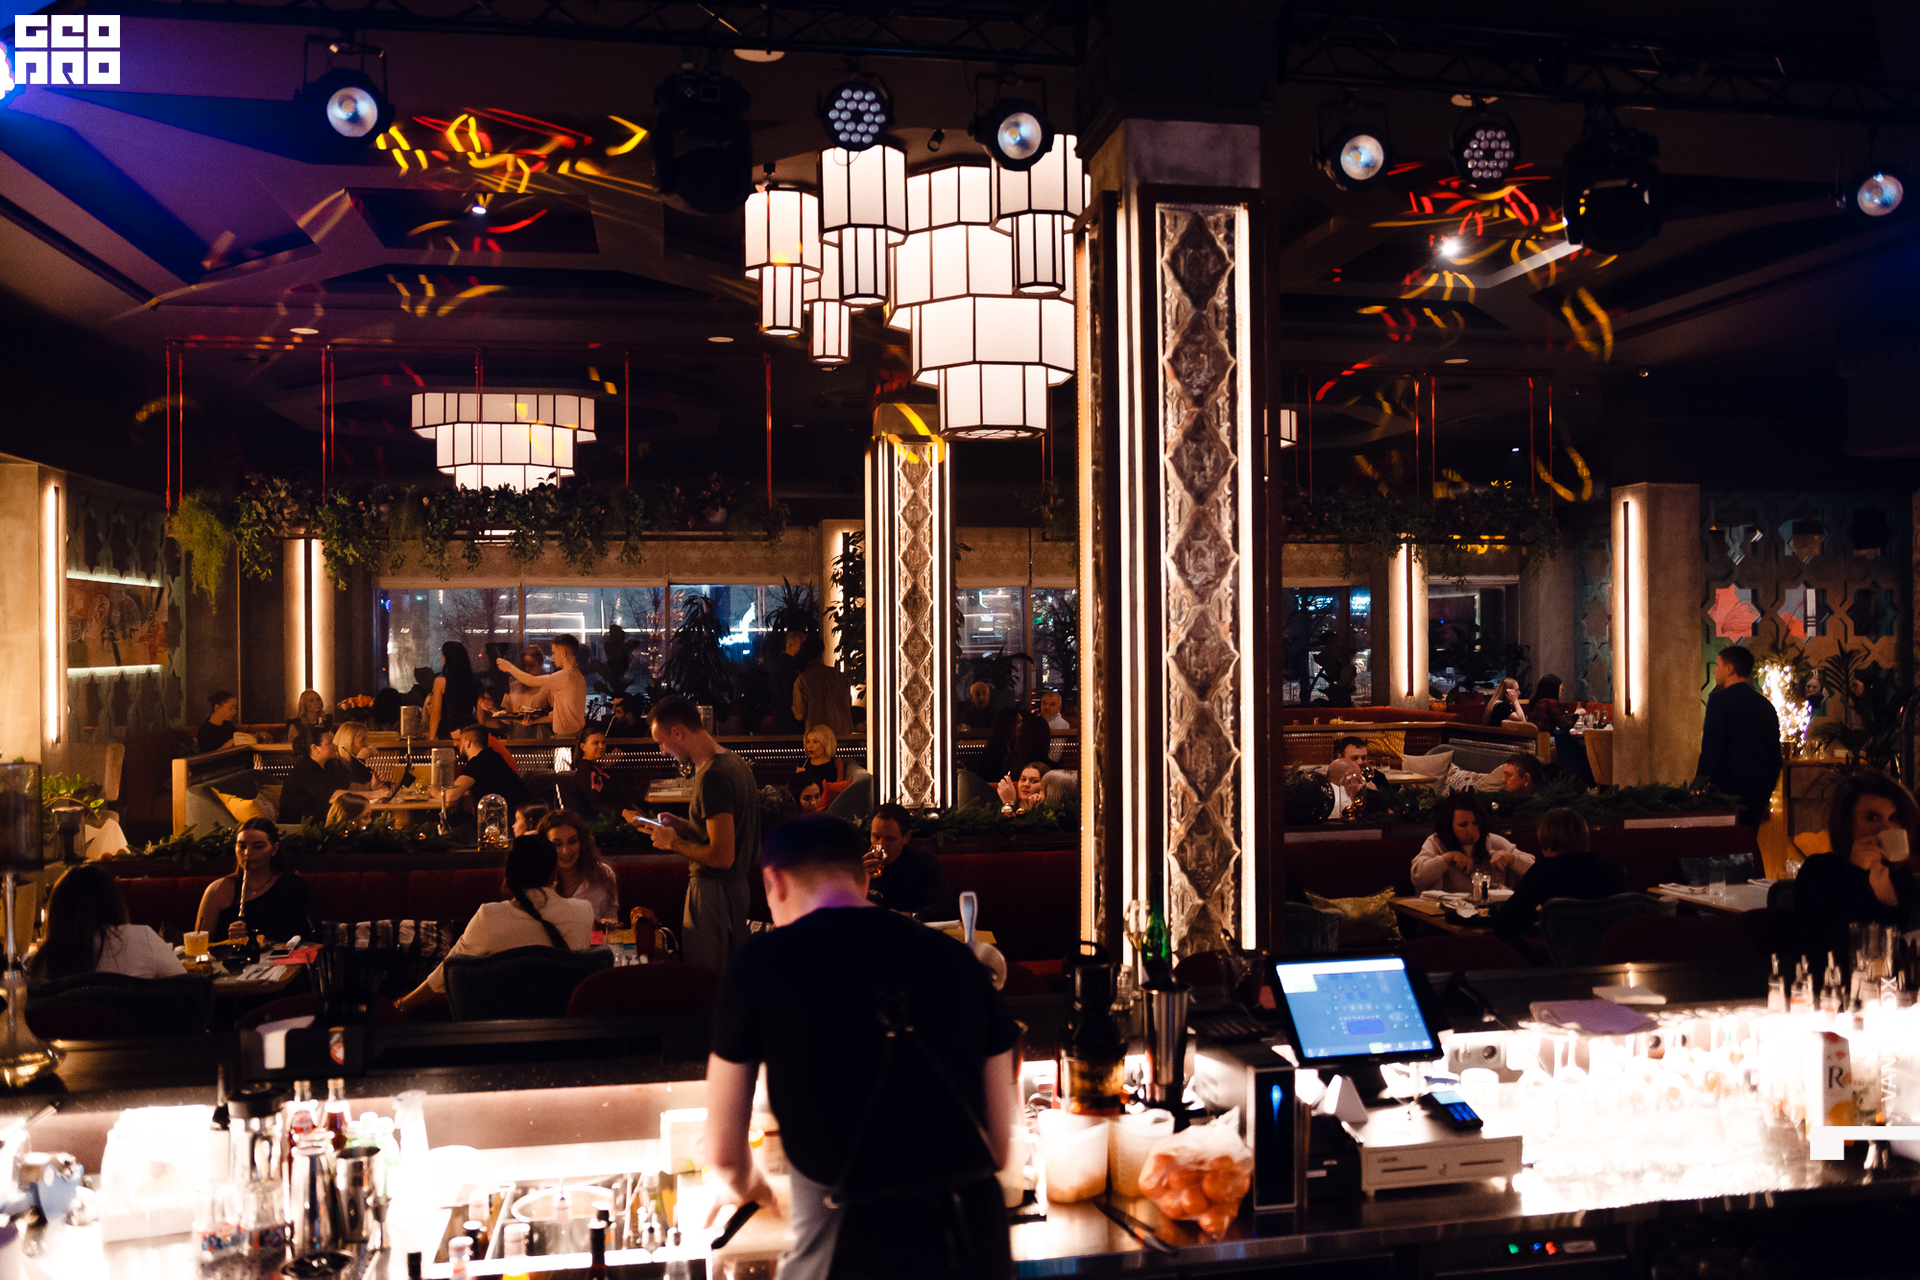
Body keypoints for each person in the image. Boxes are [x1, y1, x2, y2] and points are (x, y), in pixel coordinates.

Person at [704, 815, 1017, 1280]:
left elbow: (725, 1154)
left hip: (851, 1252)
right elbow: (1000, 1148)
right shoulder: (958, 959)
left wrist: (754, 1189)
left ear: (773, 881)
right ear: (864, 878)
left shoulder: (761, 963)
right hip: (974, 1249)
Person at [395, 835, 594, 1011]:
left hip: (497, 1033)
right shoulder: (583, 911)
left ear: (509, 872)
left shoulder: (489, 916)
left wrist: (400, 1005)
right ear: (554, 872)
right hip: (564, 1033)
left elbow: (445, 974)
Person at [639, 695, 762, 976]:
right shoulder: (734, 762)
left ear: (677, 732)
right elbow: (727, 833)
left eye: (661, 742)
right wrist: (684, 825)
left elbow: (722, 857)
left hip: (713, 894)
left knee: (707, 980)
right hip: (735, 890)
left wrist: (672, 842)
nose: (662, 751)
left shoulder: (713, 776)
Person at [1794, 770, 1916, 966]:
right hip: (1835, 980)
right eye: (1872, 818)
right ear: (1847, 823)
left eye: (1893, 818)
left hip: (1889, 983)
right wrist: (1857, 871)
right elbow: (1832, 944)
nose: (1886, 828)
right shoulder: (1819, 870)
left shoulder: (1900, 875)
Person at [29, 864, 185, 982]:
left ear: (57, 911)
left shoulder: (43, 961)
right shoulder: (143, 938)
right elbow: (187, 988)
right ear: (114, 902)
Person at [1492, 808, 1627, 937]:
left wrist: (1540, 914)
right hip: (1611, 949)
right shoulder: (1612, 870)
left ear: (1548, 843)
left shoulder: (1543, 872)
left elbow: (1503, 924)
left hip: (1566, 950)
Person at [1695, 645, 1782, 831]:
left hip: (1725, 794)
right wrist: (1766, 794)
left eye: (1718, 665)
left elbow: (1711, 751)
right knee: (1746, 842)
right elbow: (1775, 758)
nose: (1715, 671)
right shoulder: (1766, 705)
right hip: (1756, 794)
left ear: (1730, 669)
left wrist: (1698, 787)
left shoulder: (1719, 701)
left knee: (1724, 844)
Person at [194, 820, 314, 942]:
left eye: (258, 847)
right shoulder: (216, 890)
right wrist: (229, 942)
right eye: (242, 846)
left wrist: (251, 939)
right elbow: (200, 943)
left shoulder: (292, 887)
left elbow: (296, 938)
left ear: (274, 849)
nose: (247, 853)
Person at [1412, 795, 1533, 893]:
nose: (1471, 831)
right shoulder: (1436, 842)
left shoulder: (1493, 841)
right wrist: (1447, 858)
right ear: (1449, 826)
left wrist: (1510, 858)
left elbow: (1535, 870)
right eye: (1463, 825)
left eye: (1476, 823)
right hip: (1448, 912)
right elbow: (1417, 877)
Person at [865, 804, 956, 921]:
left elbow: (945, 908)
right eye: (876, 837)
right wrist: (858, 882)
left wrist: (910, 916)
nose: (881, 845)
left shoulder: (924, 861)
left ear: (907, 837)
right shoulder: (860, 864)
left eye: (890, 839)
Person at [538, 809, 621, 926]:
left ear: (582, 842)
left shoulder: (603, 874)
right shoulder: (536, 879)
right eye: (557, 844)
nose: (566, 851)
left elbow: (611, 922)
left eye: (572, 842)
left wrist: (606, 925)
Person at [497, 634, 588, 739]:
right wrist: (534, 721)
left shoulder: (565, 676)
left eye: (554, 653)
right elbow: (558, 714)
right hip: (574, 735)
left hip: (566, 737)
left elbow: (530, 680)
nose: (552, 657)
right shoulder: (579, 677)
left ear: (563, 653)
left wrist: (510, 668)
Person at [436, 723, 531, 821]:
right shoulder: (492, 756)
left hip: (506, 819)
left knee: (449, 825)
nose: (455, 744)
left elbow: (450, 796)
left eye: (460, 741)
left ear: (468, 743)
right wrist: (467, 793)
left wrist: (432, 792)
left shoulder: (478, 762)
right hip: (517, 814)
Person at [279, 731, 361, 826]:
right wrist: (372, 794)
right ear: (315, 748)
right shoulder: (305, 769)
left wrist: (370, 787)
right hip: (298, 828)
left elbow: (345, 786)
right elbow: (332, 796)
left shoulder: (328, 765)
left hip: (317, 824)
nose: (335, 746)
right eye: (329, 743)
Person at [792, 635, 854, 737]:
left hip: (818, 737)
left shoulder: (803, 680)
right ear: (821, 653)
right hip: (843, 734)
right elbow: (848, 702)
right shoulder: (839, 676)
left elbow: (799, 713)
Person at [570, 727, 630, 818]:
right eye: (595, 743)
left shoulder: (595, 768)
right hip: (606, 822)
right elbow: (596, 804)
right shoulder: (586, 771)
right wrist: (624, 812)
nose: (601, 746)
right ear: (583, 747)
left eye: (603, 742)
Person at [428, 641, 482, 740]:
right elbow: (480, 714)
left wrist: (431, 740)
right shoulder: (475, 682)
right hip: (469, 731)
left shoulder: (441, 682)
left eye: (443, 656)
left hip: (447, 732)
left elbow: (436, 714)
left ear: (447, 658)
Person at [503, 643, 554, 733]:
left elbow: (557, 715)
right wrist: (492, 710)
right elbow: (506, 718)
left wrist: (537, 720)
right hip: (517, 734)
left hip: (541, 733)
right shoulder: (513, 686)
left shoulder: (547, 686)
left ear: (541, 663)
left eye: (531, 665)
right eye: (524, 665)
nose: (527, 669)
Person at [767, 630, 808, 734]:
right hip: (792, 722)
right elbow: (791, 695)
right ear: (789, 646)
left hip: (783, 721)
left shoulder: (779, 665)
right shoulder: (789, 668)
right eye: (801, 646)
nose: (804, 650)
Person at [793, 725, 845, 794]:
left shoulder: (829, 768)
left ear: (825, 743)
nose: (810, 746)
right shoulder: (804, 762)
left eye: (815, 742)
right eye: (808, 741)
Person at [287, 689, 332, 754]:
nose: (316, 703)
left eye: (318, 699)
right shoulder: (296, 725)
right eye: (311, 701)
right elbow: (290, 747)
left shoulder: (326, 722)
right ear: (304, 704)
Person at [198, 689, 242, 755]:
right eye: (231, 708)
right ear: (217, 708)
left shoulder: (228, 725)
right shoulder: (205, 730)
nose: (235, 712)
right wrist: (228, 744)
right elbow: (207, 757)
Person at [334, 721, 378, 786]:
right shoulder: (336, 763)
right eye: (363, 740)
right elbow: (352, 785)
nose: (366, 744)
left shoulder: (357, 762)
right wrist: (359, 760)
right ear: (350, 742)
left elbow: (369, 781)